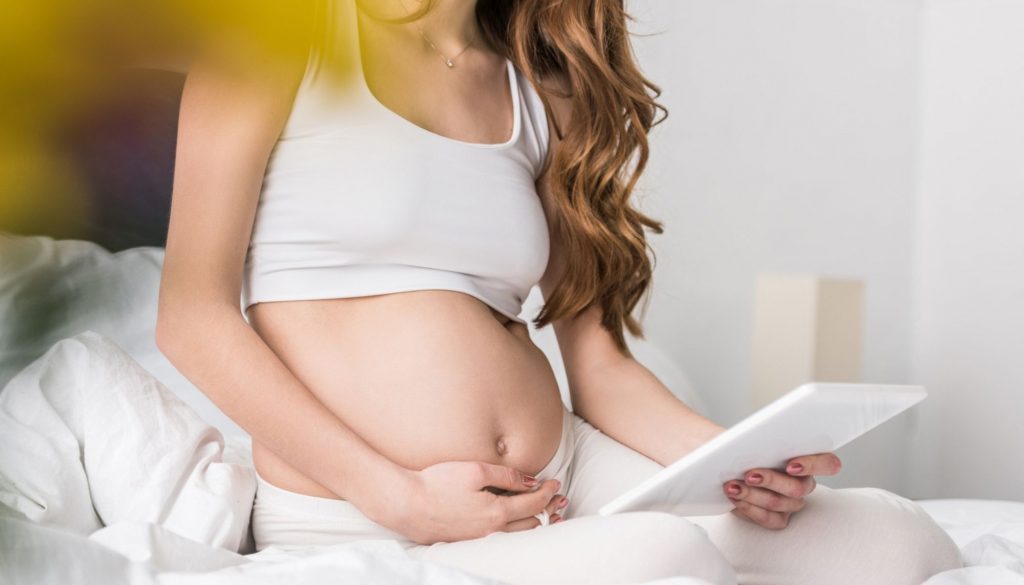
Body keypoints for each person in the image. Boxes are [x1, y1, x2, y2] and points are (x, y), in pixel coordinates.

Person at [156, 0, 964, 583]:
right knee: (666, 558)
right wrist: (398, 497)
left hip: (565, 471)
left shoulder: (542, 88)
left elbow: (600, 365)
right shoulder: (275, 38)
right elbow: (190, 320)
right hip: (360, 505)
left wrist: (739, 463)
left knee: (893, 538)